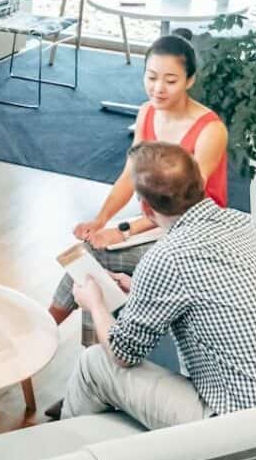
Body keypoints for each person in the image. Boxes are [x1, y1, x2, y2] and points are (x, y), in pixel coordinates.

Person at [58, 142, 256, 429]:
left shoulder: (168, 256)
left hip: (253, 431)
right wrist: (139, 288)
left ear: (146, 209)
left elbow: (122, 354)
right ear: (201, 182)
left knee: (94, 364)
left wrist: (94, 303)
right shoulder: (248, 224)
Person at [49, 30, 229, 333]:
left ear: (190, 81)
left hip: (194, 233)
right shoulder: (146, 113)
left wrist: (123, 230)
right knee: (92, 252)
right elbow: (130, 175)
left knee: (97, 257)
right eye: (151, 77)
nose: (158, 88)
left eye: (170, 81)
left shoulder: (211, 130)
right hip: (157, 224)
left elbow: (183, 205)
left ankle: (51, 330)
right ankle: (87, 351)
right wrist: (100, 220)